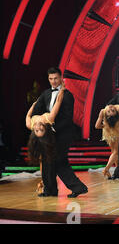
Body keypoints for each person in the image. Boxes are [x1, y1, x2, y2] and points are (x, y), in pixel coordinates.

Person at [31, 67, 88, 198]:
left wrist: (51, 127)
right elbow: (36, 111)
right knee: (47, 161)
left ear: (61, 77)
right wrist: (38, 122)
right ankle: (50, 190)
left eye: (56, 78)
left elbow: (68, 118)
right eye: (50, 79)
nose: (53, 81)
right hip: (47, 135)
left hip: (63, 134)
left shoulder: (68, 95)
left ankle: (77, 187)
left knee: (59, 160)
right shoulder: (45, 94)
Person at [25, 82, 66, 195]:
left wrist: (33, 106)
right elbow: (58, 102)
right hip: (50, 142)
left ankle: (50, 190)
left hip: (47, 143)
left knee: (49, 167)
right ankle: (50, 190)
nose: (38, 127)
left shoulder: (31, 124)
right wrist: (62, 90)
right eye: (39, 130)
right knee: (48, 167)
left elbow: (28, 116)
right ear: (45, 129)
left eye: (37, 130)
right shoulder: (49, 119)